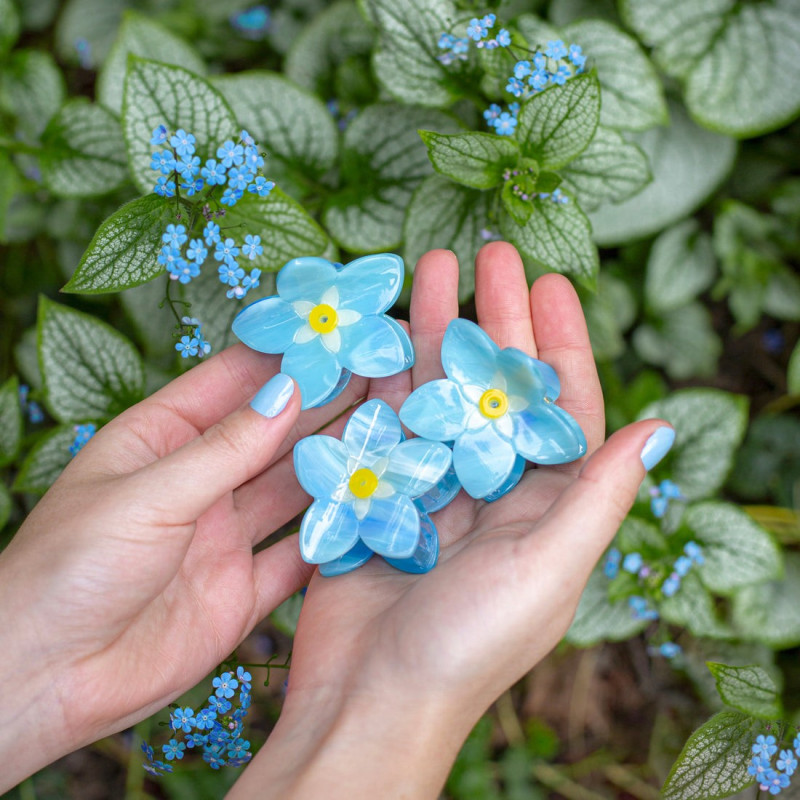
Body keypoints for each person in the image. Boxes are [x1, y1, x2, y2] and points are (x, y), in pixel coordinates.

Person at [0, 243, 674, 797]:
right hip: (376, 470)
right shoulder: (365, 399)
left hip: (395, 476)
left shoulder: (417, 416)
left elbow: (389, 418)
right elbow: (382, 417)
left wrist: (31, 660)